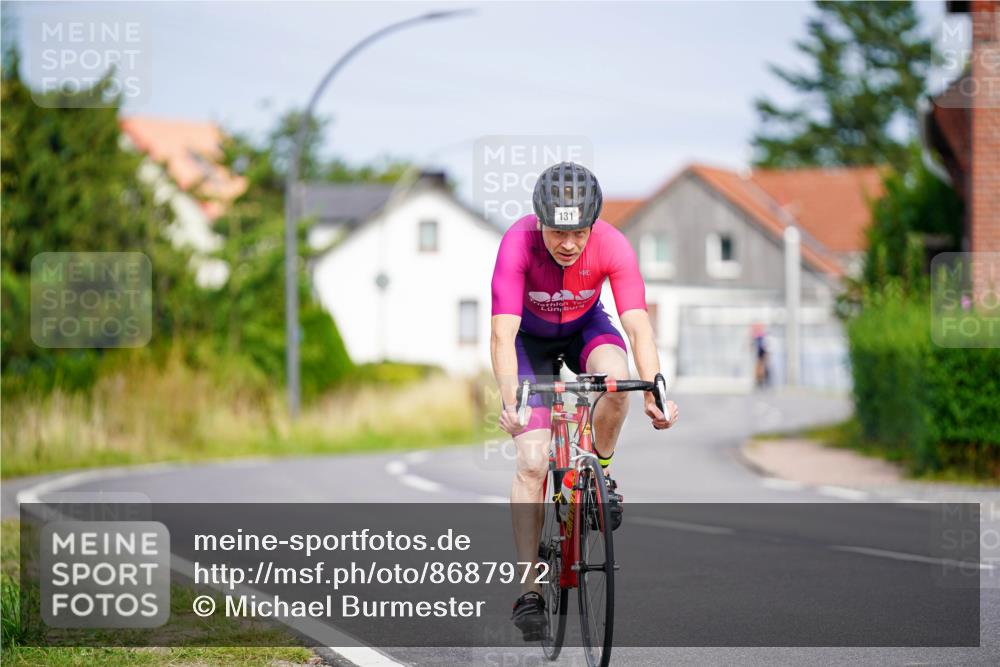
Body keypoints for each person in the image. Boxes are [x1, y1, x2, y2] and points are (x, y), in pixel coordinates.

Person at [490, 161, 679, 640]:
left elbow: (637, 325)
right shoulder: (517, 243)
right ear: (539, 222)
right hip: (527, 345)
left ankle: (602, 472)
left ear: (593, 225)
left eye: (579, 232)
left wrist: (657, 388)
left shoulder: (613, 244)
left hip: (583, 330)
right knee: (532, 464)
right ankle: (530, 590)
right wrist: (511, 402)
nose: (569, 244)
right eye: (557, 231)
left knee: (616, 381)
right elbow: (501, 332)